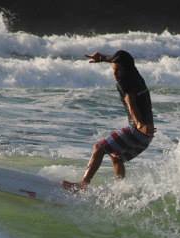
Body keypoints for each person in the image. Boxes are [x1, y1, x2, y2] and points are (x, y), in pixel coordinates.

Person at [62, 50, 155, 191]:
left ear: (125, 70)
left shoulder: (124, 81)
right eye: (114, 70)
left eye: (118, 71)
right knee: (116, 156)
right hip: (147, 136)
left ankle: (83, 185)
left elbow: (130, 102)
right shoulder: (135, 75)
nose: (115, 74)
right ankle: (120, 189)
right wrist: (103, 58)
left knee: (99, 148)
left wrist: (138, 122)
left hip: (138, 129)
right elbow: (118, 60)